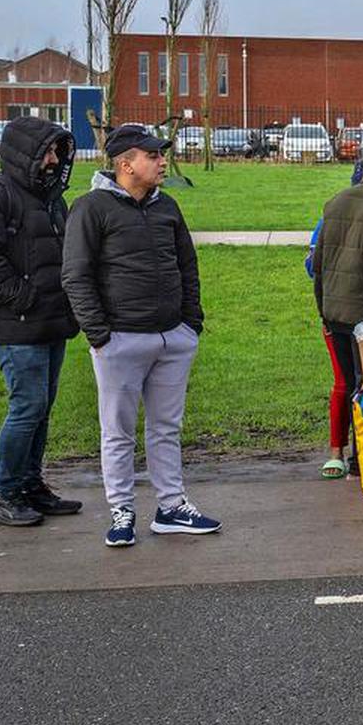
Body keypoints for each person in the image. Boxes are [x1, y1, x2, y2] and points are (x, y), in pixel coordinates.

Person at [61, 123, 220, 546]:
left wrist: (191, 323)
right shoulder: (91, 208)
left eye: (160, 154)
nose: (162, 160)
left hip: (173, 337)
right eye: (152, 155)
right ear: (125, 163)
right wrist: (99, 335)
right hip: (120, 340)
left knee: (167, 427)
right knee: (118, 431)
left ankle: (171, 507)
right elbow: (76, 276)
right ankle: (122, 511)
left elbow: (187, 265)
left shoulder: (166, 206)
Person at [0, 117, 81, 527]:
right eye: (47, 151)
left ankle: (31, 486)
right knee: (27, 406)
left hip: (51, 321)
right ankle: (7, 492)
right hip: (16, 324)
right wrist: (23, 298)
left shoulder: (51, 199)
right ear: (23, 153)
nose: (53, 160)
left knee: (42, 407)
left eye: (57, 152)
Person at [312, 159, 363, 480]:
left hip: (335, 310)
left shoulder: (336, 202)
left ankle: (346, 454)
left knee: (347, 382)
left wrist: (323, 307)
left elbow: (318, 263)